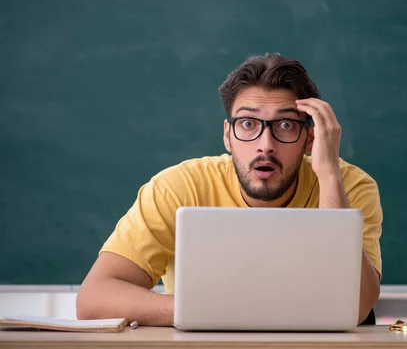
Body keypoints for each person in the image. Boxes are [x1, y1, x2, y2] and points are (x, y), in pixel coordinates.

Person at [76, 53, 383, 326]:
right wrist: (207, 311)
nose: (266, 145)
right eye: (248, 124)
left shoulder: (349, 187)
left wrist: (328, 173)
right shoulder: (179, 187)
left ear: (310, 139)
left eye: (286, 126)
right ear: (228, 136)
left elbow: (355, 307)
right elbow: (94, 298)